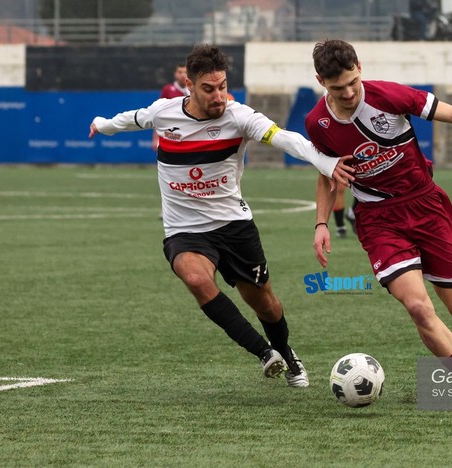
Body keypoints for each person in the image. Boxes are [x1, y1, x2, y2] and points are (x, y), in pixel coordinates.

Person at [89, 44, 354, 388]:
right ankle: (264, 353)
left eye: (223, 86)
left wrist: (327, 162)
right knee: (197, 279)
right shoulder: (164, 113)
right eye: (209, 89)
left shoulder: (239, 116)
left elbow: (287, 140)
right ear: (190, 86)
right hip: (184, 229)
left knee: (266, 304)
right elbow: (131, 119)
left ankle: (286, 352)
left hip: (234, 226)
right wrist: (102, 123)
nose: (218, 96)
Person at [306, 39, 452, 406]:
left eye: (352, 82)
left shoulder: (390, 96)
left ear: (359, 67)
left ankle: (419, 263)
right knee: (418, 307)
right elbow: (326, 174)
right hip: (379, 219)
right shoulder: (318, 123)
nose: (348, 93)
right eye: (337, 88)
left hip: (426, 206)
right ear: (321, 81)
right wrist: (321, 223)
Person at [153, 63, 190, 151]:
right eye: (179, 72)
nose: (182, 75)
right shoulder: (168, 89)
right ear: (175, 74)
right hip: (171, 132)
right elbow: (158, 113)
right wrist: (155, 137)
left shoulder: (194, 90)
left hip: (189, 131)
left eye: (185, 72)